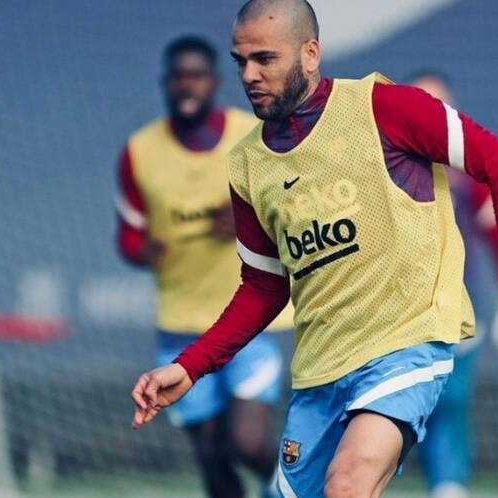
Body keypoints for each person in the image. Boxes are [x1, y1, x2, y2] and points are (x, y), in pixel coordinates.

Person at [131, 2, 498, 497]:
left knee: (348, 484)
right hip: (321, 369)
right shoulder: (248, 164)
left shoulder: (385, 107)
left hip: (407, 342)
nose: (249, 75)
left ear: (310, 54)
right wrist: (190, 366)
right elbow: (264, 289)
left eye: (265, 59)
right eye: (241, 61)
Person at [115, 36, 293, 498]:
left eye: (196, 75)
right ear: (165, 84)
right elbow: (128, 235)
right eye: (178, 77)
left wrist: (245, 221)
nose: (186, 85)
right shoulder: (140, 151)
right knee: (211, 455)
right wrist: (142, 250)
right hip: (181, 322)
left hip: (252, 319)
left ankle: (295, 488)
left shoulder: (252, 135)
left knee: (245, 442)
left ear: (214, 82)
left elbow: (294, 209)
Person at [410, 71, 498, 498]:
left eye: (439, 103)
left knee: (450, 399)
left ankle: (448, 484)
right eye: (419, 102)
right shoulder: (375, 162)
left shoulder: (468, 165)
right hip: (392, 308)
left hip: (458, 306)